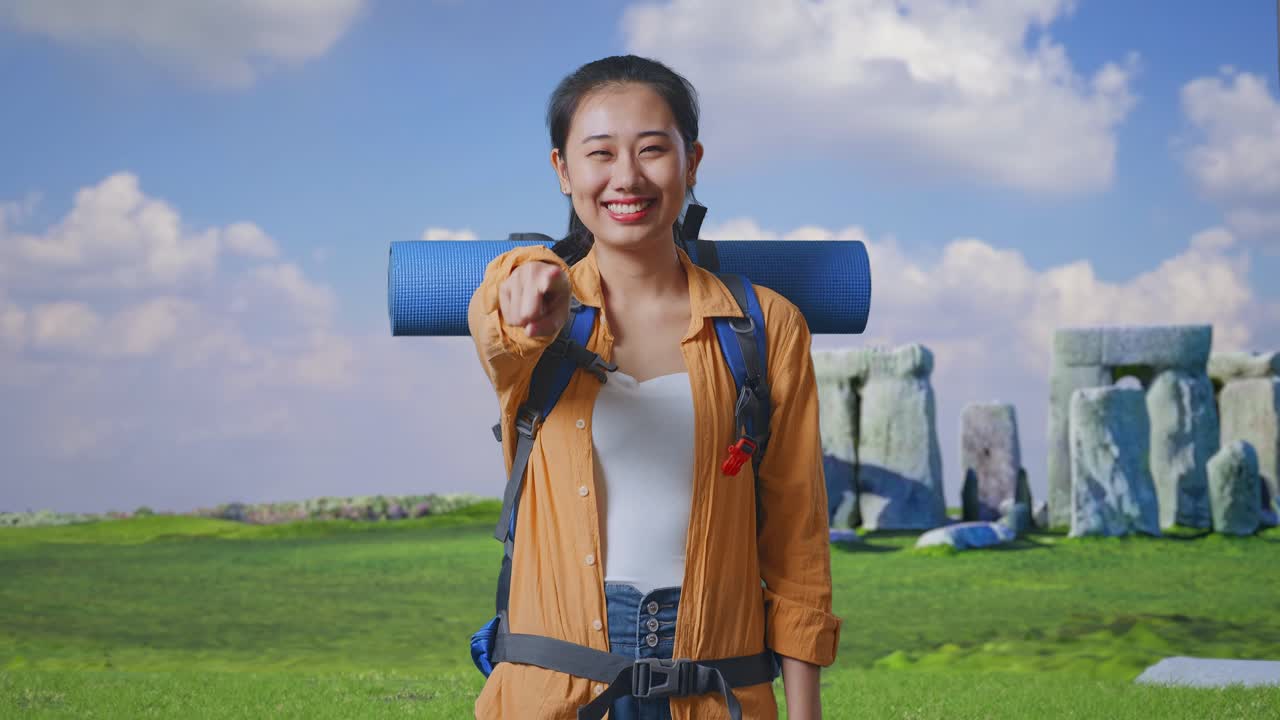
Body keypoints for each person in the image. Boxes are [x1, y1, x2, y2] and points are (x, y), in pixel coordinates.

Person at [468, 54, 841, 720]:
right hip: (553, 691)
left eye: (651, 150)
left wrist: (806, 712)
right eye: (600, 154)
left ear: (691, 162)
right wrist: (523, 273)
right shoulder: (533, 316)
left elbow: (797, 540)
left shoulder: (766, 326)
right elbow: (495, 319)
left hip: (717, 687)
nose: (627, 178)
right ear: (563, 172)